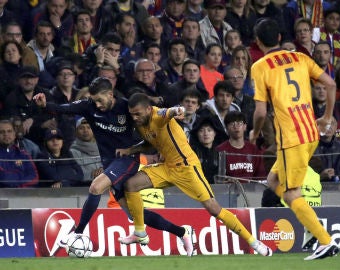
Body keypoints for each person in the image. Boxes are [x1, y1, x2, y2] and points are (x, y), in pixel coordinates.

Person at [33, 77, 195, 256]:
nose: (98, 104)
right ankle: (183, 232)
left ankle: (77, 232)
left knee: (96, 187)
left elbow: (153, 114)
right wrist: (44, 105)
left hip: (127, 160)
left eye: (100, 100)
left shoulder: (126, 108)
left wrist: (173, 111)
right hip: (110, 164)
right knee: (135, 215)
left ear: (110, 94)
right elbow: (64, 109)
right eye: (94, 100)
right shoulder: (89, 106)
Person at [117, 93, 272, 256]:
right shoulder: (141, 123)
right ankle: (140, 233)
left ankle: (254, 243)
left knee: (214, 208)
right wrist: (130, 150)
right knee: (131, 185)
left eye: (137, 114)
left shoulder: (158, 115)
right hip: (167, 167)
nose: (134, 118)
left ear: (148, 109)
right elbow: (151, 143)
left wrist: (178, 110)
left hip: (187, 167)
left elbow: (169, 112)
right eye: (132, 114)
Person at [249, 18, 339, 260]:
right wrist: (327, 117)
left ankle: (325, 240)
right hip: (310, 132)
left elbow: (259, 112)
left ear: (258, 42)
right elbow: (330, 84)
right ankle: (311, 223)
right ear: (279, 37)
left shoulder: (260, 66)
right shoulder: (300, 57)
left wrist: (255, 133)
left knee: (290, 193)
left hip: (292, 138)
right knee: (272, 179)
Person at [216, 111, 266, 182]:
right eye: (232, 124)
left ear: (245, 127)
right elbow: (218, 179)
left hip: (251, 191)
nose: (236, 127)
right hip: (228, 191)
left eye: (239, 123)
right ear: (226, 128)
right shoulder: (220, 150)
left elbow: (260, 178)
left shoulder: (254, 150)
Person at [0, 119, 39, 188]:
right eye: (2, 132)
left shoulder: (24, 154)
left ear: (14, 134)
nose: (6, 134)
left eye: (9, 131)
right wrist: (20, 175)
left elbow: (34, 177)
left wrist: (17, 183)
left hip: (22, 195)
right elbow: (3, 178)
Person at [70, 117, 103, 185]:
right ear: (76, 132)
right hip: (85, 188)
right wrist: (93, 175)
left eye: (89, 127)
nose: (85, 130)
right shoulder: (73, 152)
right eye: (81, 128)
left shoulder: (103, 147)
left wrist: (104, 171)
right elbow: (76, 174)